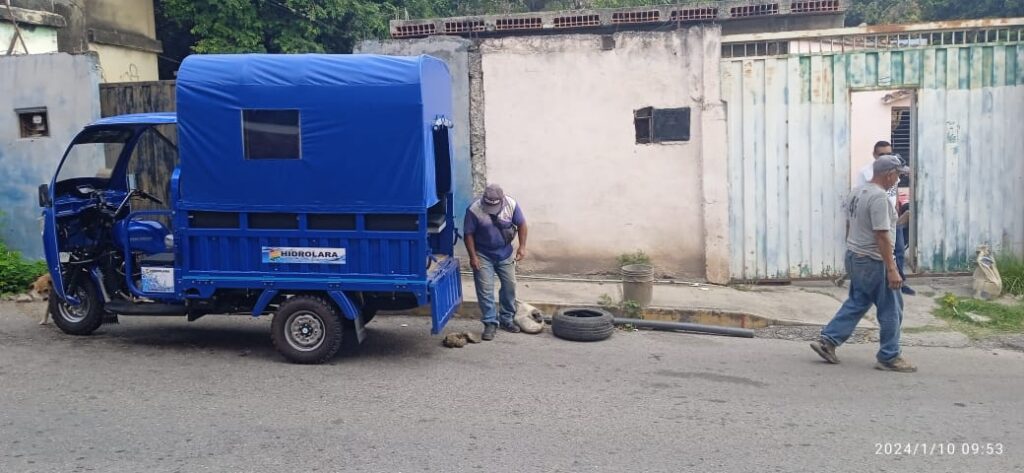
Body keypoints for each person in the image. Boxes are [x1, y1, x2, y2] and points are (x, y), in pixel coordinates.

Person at [811, 156, 916, 373]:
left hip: (856, 255)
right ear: (889, 174)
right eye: (898, 174)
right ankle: (889, 356)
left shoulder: (858, 192)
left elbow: (859, 225)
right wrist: (892, 269)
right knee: (891, 309)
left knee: (858, 301)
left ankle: (828, 340)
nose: (898, 179)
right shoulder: (879, 198)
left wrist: (900, 220)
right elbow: (881, 236)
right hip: (874, 260)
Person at [464, 184, 528, 341]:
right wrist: (473, 256)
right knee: (485, 289)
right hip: (483, 253)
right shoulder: (474, 209)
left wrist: (522, 247)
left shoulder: (511, 205)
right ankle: (490, 323)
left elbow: (522, 225)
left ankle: (506, 318)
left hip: (505, 253)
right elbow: (468, 234)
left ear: (502, 199)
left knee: (510, 286)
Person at [854, 141, 915, 296]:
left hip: (892, 215)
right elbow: (862, 193)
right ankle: (890, 279)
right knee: (885, 249)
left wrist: (896, 207)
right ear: (874, 155)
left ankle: (900, 281)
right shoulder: (867, 173)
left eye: (889, 153)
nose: (886, 157)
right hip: (878, 217)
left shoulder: (894, 169)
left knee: (899, 250)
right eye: (882, 154)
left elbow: (895, 190)